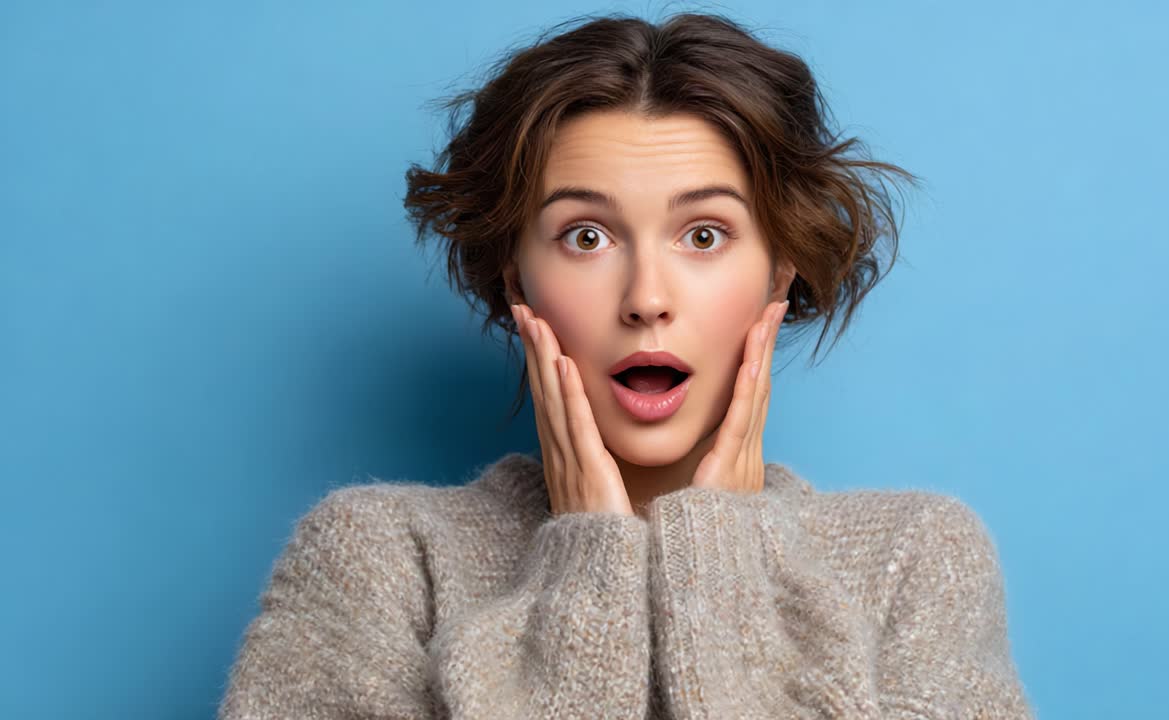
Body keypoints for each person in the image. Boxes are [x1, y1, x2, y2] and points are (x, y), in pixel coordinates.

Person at [217, 11, 1037, 719]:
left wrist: (716, 557)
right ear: (517, 282)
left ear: (778, 274)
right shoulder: (382, 560)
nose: (647, 297)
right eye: (586, 236)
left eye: (705, 235)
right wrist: (589, 564)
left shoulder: (913, 560)